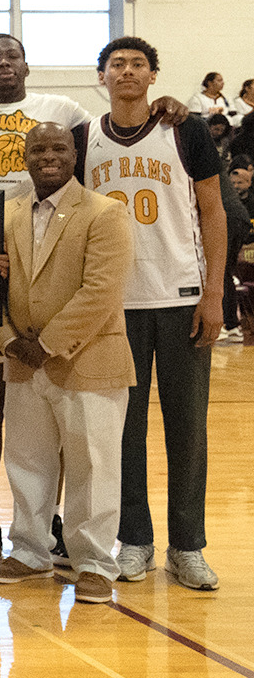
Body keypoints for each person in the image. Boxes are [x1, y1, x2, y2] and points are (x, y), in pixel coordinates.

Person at [79, 36, 226, 591]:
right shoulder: (83, 138)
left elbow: (213, 213)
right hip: (115, 305)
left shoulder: (184, 131)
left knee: (187, 428)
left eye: (138, 64)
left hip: (181, 296)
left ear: (153, 76)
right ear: (102, 76)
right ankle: (134, 539)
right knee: (124, 430)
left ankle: (188, 546)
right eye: (117, 64)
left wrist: (214, 294)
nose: (127, 71)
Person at [0, 34, 95, 565]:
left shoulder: (63, 109)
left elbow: (110, 132)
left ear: (27, 65)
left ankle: (45, 517)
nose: (3, 64)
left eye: (12, 56)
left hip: (48, 256)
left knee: (49, 395)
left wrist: (168, 107)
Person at [0, 122, 134, 604]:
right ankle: (29, 551)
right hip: (22, 360)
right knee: (27, 460)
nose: (48, 156)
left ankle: (93, 562)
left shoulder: (106, 213)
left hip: (87, 359)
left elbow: (101, 293)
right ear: (24, 157)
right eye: (38, 148)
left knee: (94, 464)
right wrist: (9, 341)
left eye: (58, 148)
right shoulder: (6, 215)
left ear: (75, 154)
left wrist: (46, 344)